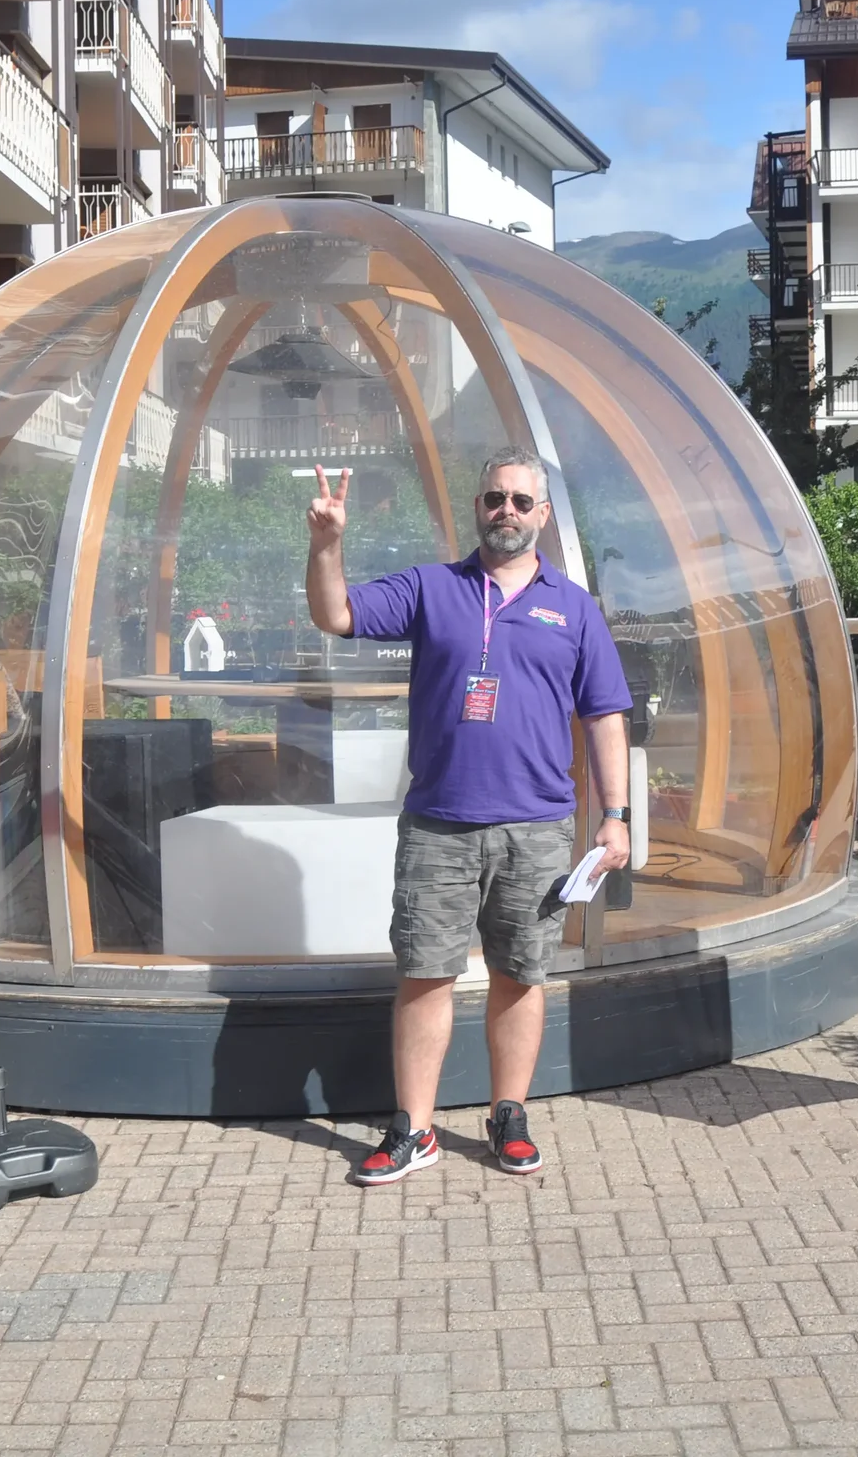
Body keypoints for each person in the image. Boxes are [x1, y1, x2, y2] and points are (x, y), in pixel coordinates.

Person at [306, 447, 632, 1183]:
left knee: (521, 975)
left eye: (521, 501)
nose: (506, 512)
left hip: (538, 828)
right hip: (439, 825)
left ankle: (507, 1114)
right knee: (425, 974)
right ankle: (414, 1130)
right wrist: (327, 543)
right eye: (494, 499)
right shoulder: (433, 589)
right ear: (477, 507)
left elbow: (605, 714)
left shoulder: (572, 607)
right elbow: (337, 614)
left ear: (542, 515)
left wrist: (615, 815)